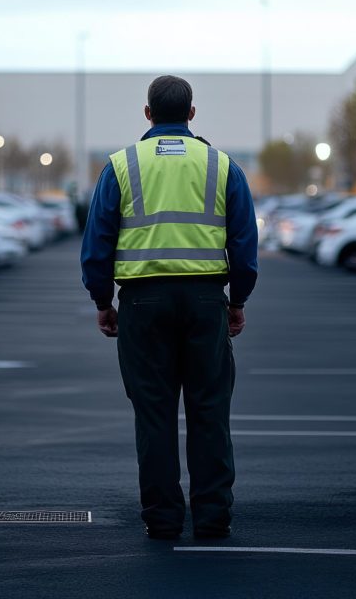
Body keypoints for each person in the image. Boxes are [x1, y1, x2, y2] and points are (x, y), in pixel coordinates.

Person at [81, 74, 258, 540]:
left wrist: (103, 300)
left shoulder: (121, 166)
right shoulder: (222, 166)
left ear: (147, 113)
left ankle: (161, 519)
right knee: (209, 412)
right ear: (192, 114)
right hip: (205, 302)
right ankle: (213, 516)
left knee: (154, 414)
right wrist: (236, 301)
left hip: (142, 303)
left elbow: (97, 243)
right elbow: (244, 244)